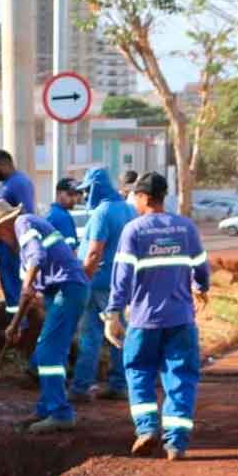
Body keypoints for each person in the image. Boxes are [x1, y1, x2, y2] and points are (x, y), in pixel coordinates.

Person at [104, 172, 210, 461]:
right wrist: (202, 288)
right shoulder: (186, 228)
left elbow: (122, 277)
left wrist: (113, 312)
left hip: (143, 320)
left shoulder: (134, 230)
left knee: (138, 371)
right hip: (180, 319)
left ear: (142, 197)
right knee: (180, 377)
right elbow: (201, 266)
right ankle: (175, 444)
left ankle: (147, 428)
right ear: (163, 197)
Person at [0, 200, 90, 433]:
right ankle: (46, 408)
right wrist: (16, 325)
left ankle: (60, 413)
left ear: (3, 227)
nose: (0, 240)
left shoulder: (23, 222)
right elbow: (31, 296)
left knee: (49, 352)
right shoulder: (23, 245)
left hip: (67, 289)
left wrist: (27, 286)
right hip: (64, 291)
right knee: (46, 350)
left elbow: (37, 257)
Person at [71, 167, 137, 403]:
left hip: (98, 282)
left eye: (87, 190)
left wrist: (83, 278)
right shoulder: (128, 209)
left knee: (91, 335)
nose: (85, 195)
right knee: (118, 333)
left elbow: (94, 252)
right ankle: (119, 384)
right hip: (119, 283)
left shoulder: (102, 212)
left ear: (97, 188)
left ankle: (80, 387)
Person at [0, 149, 35, 316]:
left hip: (13, 245)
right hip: (4, 244)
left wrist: (19, 245)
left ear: (6, 164)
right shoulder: (6, 185)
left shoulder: (19, 183)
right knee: (9, 289)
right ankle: (14, 324)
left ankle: (21, 327)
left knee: (15, 288)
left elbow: (25, 214)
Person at [46, 178, 81, 251]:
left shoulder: (53, 212)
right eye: (70, 194)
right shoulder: (61, 216)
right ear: (58, 193)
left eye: (76, 194)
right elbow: (71, 251)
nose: (74, 198)